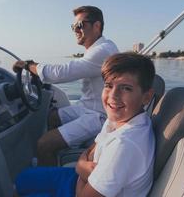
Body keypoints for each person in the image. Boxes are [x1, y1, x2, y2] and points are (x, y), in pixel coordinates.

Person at [14, 52, 156, 197]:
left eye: (126, 88)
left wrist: (81, 169)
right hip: (82, 180)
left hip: (83, 190)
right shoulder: (120, 118)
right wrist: (81, 166)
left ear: (147, 97)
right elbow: (93, 147)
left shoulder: (124, 145)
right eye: (108, 85)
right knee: (22, 179)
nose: (113, 96)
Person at [13, 5, 119, 166]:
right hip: (88, 107)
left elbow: (62, 73)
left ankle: (48, 181)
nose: (75, 30)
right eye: (73, 26)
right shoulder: (99, 48)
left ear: (97, 26)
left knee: (44, 144)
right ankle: (56, 157)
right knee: (52, 116)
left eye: (80, 25)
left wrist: (29, 65)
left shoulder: (103, 51)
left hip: (99, 116)